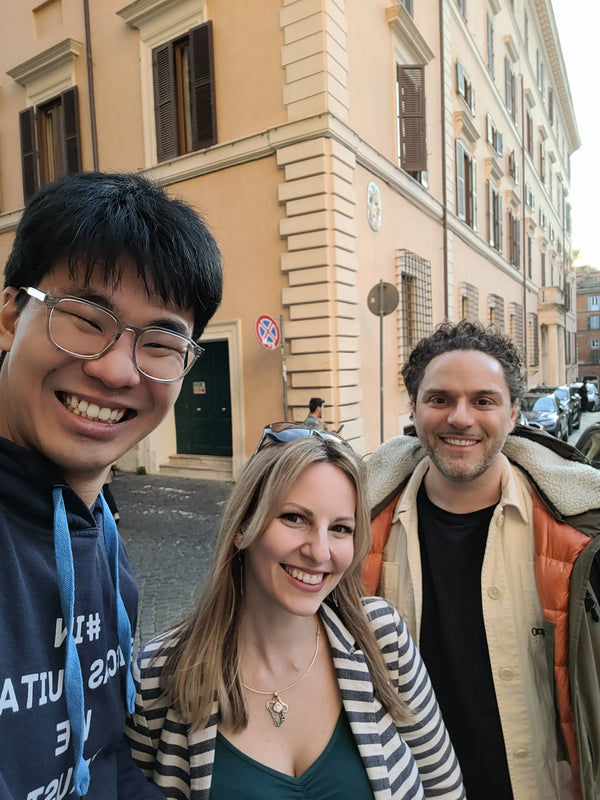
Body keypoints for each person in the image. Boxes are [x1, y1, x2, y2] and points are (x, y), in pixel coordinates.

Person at [0, 171, 222, 799]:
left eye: (160, 342)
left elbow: (104, 756)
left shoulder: (98, 524)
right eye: (85, 318)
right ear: (11, 317)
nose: (116, 369)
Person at [126, 424, 465, 799]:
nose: (320, 552)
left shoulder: (382, 639)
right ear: (242, 527)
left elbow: (444, 790)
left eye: (340, 528)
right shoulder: (160, 673)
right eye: (294, 518)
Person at [365, 320, 600, 800]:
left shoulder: (579, 533)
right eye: (440, 399)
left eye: (483, 401)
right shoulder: (359, 525)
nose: (461, 418)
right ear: (413, 409)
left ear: (513, 413)